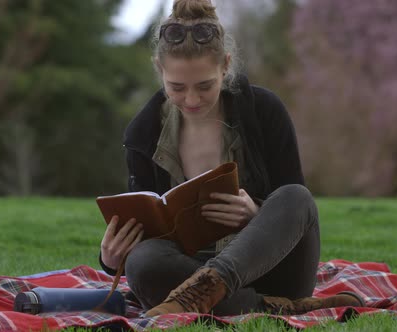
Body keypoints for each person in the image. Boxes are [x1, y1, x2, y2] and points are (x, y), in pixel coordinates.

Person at [98, 0, 364, 317]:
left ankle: (212, 287)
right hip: (185, 271)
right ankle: (269, 308)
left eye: (205, 86)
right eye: (177, 87)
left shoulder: (265, 111)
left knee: (297, 197)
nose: (192, 100)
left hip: (274, 270)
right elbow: (147, 229)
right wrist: (110, 259)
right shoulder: (143, 135)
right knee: (143, 260)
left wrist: (256, 214)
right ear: (159, 69)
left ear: (225, 66)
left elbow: (294, 213)